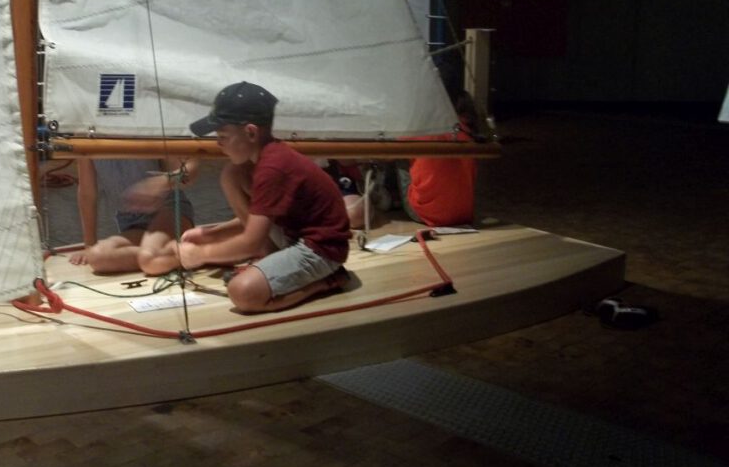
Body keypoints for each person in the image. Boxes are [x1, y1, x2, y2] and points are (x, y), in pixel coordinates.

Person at [171, 81, 352, 313]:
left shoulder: (273, 169)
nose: (218, 143)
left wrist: (200, 254)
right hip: (292, 234)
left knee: (242, 293)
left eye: (223, 135)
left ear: (251, 132)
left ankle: (327, 280)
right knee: (232, 174)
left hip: (321, 249)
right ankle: (272, 263)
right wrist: (210, 234)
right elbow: (258, 219)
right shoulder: (265, 160)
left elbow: (251, 241)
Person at [70, 157, 198, 274]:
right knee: (97, 256)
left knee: (150, 259)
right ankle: (163, 255)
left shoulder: (152, 136)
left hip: (167, 210)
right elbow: (87, 193)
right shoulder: (86, 139)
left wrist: (161, 183)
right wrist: (89, 245)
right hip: (130, 222)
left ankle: (201, 253)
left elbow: (190, 168)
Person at [395, 91, 478, 227]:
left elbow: (388, 153)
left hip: (425, 214)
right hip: (464, 214)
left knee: (396, 153)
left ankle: (391, 200)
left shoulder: (425, 130)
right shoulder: (471, 136)